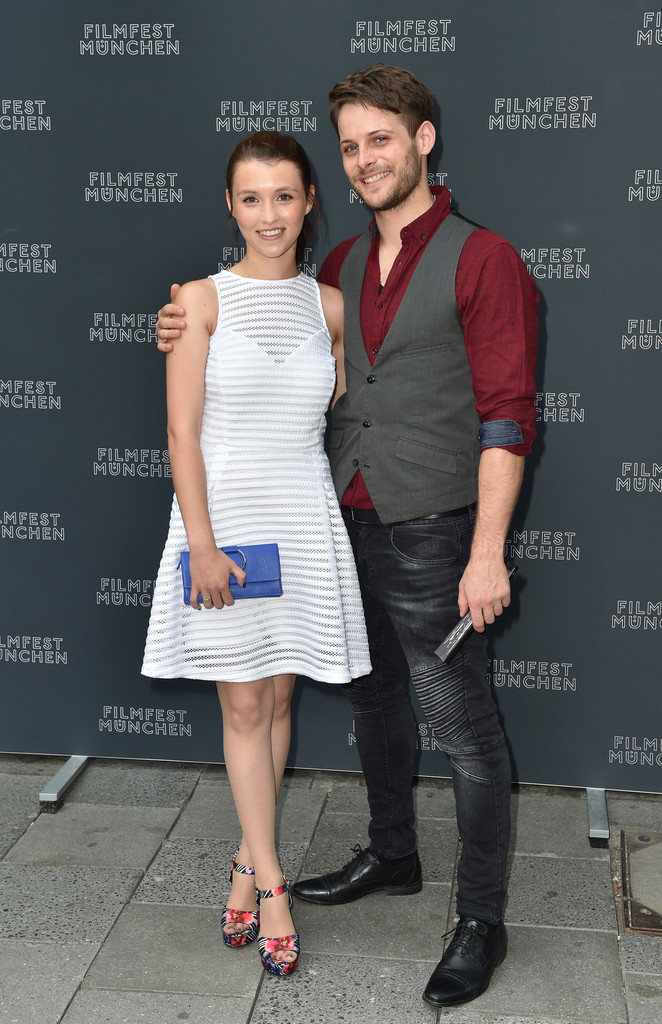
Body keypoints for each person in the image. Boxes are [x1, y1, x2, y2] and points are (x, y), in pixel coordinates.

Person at [156, 64, 538, 1009]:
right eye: (352, 144)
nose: (367, 158)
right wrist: (181, 323)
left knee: (464, 728)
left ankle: (480, 919)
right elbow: (273, 354)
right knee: (373, 703)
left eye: (382, 139)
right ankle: (393, 853)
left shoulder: (484, 258)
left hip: (434, 529)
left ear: (423, 140)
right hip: (335, 522)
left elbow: (507, 415)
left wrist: (487, 550)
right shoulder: (335, 272)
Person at [142, 130, 371, 978]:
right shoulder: (199, 302)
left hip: (303, 518)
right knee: (243, 706)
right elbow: (182, 432)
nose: (268, 214)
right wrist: (201, 544)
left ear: (310, 201)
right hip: (226, 522)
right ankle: (274, 887)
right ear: (230, 207)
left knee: (276, 699)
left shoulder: (332, 307)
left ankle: (245, 863)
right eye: (251, 198)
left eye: (284, 196)